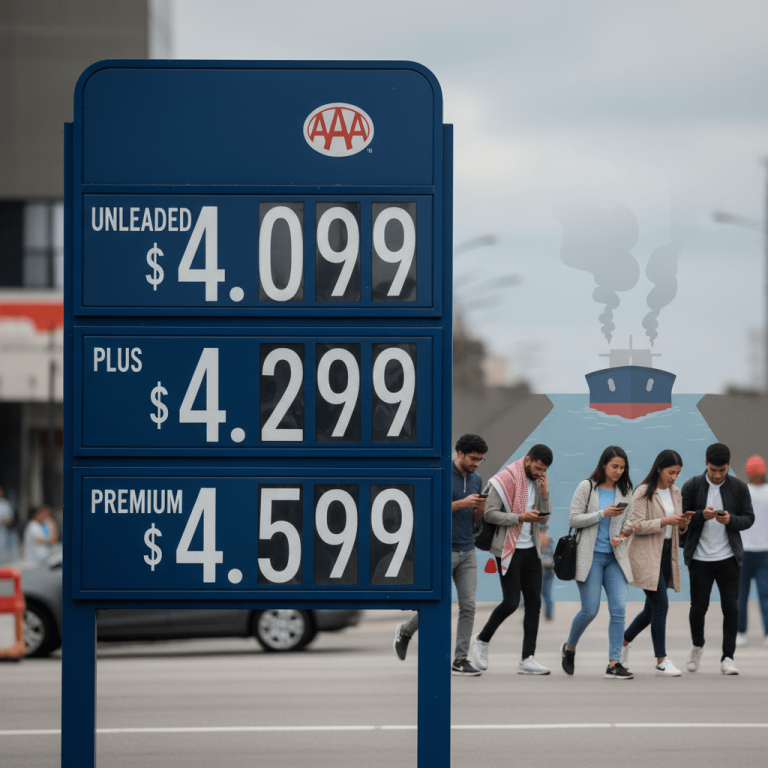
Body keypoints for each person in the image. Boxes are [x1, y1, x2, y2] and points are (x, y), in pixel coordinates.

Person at [393, 433, 488, 675]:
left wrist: (479, 509)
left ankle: (460, 659)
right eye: (473, 458)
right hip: (442, 549)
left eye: (480, 460)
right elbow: (429, 507)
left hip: (467, 551)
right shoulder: (442, 472)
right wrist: (462, 503)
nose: (476, 463)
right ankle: (405, 631)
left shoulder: (477, 479)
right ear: (460, 453)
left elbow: (473, 520)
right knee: (437, 605)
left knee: (468, 606)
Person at [471, 444, 553, 675]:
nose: (539, 473)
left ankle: (527, 658)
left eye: (543, 471)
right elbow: (489, 513)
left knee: (534, 604)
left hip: (531, 550)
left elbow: (544, 520)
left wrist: (545, 494)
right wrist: (520, 517)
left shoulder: (539, 482)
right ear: (527, 460)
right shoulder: (504, 479)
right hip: (508, 549)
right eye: (537, 468)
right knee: (510, 602)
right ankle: (482, 639)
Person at [561, 446, 636, 679]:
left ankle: (614, 663)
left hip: (615, 557)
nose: (618, 472)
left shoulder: (626, 489)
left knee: (618, 609)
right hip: (590, 557)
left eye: (622, 468)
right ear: (603, 464)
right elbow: (573, 519)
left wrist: (624, 533)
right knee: (590, 610)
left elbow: (629, 521)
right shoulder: (587, 487)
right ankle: (569, 647)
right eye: (615, 467)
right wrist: (603, 513)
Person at [681, 442, 754, 675]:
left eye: (722, 470)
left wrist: (731, 520)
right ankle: (697, 646)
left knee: (731, 609)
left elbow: (749, 518)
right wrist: (701, 516)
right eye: (713, 470)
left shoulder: (739, 487)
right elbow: (681, 521)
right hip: (700, 558)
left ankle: (728, 658)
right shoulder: (691, 486)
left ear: (729, 466)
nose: (717, 475)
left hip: (728, 558)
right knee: (698, 609)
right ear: (706, 465)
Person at [622, 450, 688, 676]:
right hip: (645, 555)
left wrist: (681, 523)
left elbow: (675, 527)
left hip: (667, 553)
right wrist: (665, 521)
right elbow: (636, 526)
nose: (674, 477)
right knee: (661, 605)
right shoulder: (643, 492)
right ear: (659, 468)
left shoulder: (676, 492)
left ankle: (623, 641)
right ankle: (661, 660)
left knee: (651, 611)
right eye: (671, 472)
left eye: (678, 473)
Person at [736, 455, 768, 647]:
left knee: (741, 594)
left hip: (745, 551)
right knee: (765, 595)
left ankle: (741, 633)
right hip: (763, 551)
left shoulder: (742, 493)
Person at [540, 524, 555, 620]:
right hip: (549, 567)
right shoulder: (550, 539)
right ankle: (549, 613)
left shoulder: (534, 539)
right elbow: (554, 554)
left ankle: (532, 613)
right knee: (547, 592)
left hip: (539, 568)